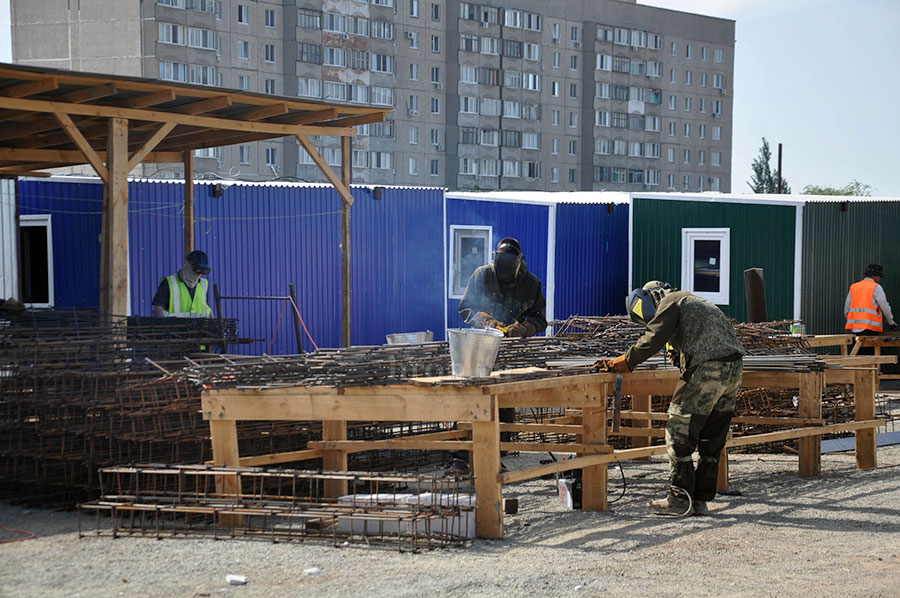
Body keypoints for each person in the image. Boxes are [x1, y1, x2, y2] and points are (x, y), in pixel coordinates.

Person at [600, 281, 745, 517]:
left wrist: (626, 361)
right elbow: (695, 336)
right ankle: (699, 500)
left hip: (708, 369)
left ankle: (679, 499)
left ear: (648, 299)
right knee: (712, 437)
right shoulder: (694, 302)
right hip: (733, 370)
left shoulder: (670, 302)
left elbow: (653, 337)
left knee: (679, 432)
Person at [451, 238, 547, 472]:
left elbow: (540, 319)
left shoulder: (531, 284)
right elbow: (465, 308)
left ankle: (495, 456)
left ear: (518, 264)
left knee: (504, 402)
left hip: (509, 351)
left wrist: (525, 329)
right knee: (472, 396)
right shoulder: (482, 275)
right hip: (480, 347)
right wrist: (481, 318)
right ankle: (460, 458)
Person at [152, 250, 213, 318]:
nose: (199, 274)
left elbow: (207, 309)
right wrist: (163, 325)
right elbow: (158, 309)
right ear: (187, 265)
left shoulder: (203, 285)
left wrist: (214, 326)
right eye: (197, 269)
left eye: (204, 271)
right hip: (174, 328)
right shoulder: (170, 283)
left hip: (199, 328)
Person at [844, 263, 896, 335]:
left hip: (855, 328)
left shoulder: (854, 287)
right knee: (871, 346)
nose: (879, 278)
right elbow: (884, 306)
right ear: (876, 276)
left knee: (857, 346)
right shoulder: (876, 287)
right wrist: (891, 322)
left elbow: (847, 310)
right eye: (879, 276)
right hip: (871, 328)